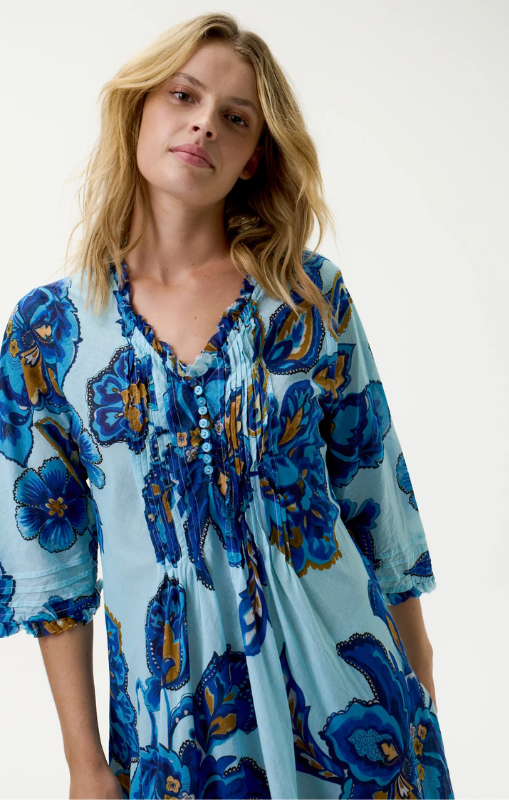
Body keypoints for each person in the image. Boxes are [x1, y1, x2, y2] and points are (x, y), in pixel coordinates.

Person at [0, 12, 454, 800]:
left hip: (351, 709)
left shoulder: (307, 299)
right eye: (184, 96)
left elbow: (375, 502)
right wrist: (84, 764)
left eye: (235, 118)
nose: (204, 123)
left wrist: (419, 682)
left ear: (252, 160)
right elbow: (51, 569)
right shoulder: (50, 333)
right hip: (177, 729)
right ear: (140, 110)